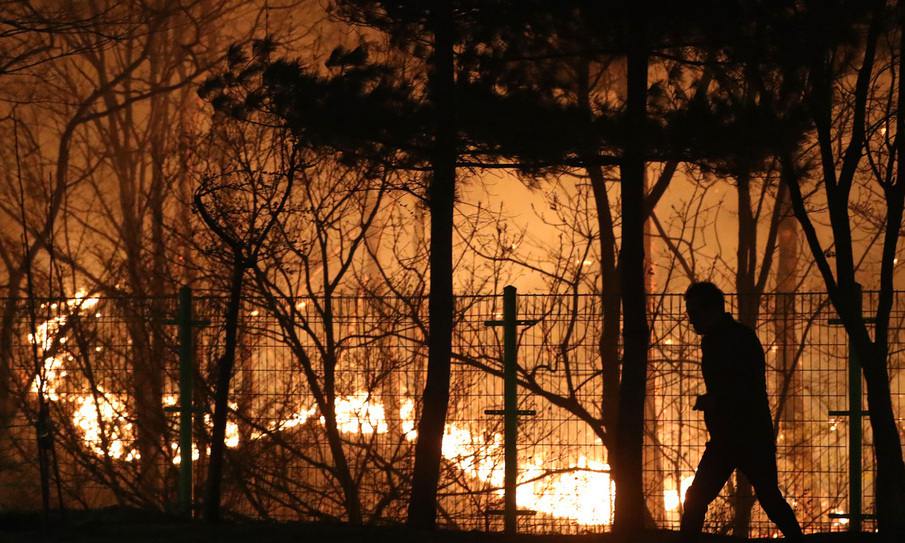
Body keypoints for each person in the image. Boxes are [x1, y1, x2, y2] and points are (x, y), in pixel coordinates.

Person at [680, 281, 803, 541]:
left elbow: (741, 387)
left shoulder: (725, 341)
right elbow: (747, 386)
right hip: (746, 434)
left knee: (698, 499)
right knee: (769, 497)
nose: (691, 321)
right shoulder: (737, 337)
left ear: (709, 310)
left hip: (738, 435)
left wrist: (715, 401)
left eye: (694, 313)